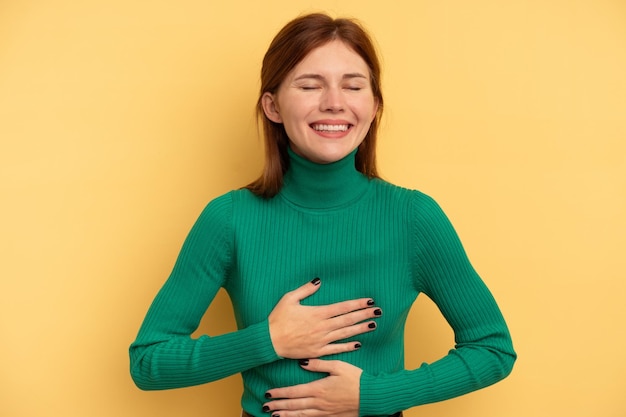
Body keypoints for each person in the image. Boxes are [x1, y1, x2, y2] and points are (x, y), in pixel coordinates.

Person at [129, 12, 516, 417]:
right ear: (272, 105)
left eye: (353, 86)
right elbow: (148, 362)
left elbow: (492, 348)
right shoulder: (229, 219)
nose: (334, 103)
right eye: (310, 85)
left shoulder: (413, 217)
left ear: (374, 106)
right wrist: (270, 339)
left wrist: (374, 396)